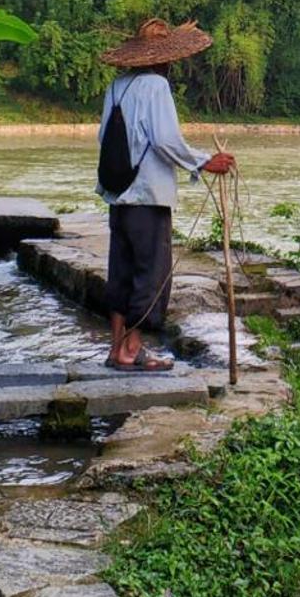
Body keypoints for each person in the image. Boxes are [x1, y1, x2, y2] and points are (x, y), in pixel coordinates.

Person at [95, 18, 235, 371]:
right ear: (164, 59)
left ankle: (116, 348)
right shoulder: (156, 87)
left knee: (121, 271)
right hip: (148, 197)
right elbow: (164, 141)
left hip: (119, 195)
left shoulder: (117, 86)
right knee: (150, 273)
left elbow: (104, 139)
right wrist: (204, 162)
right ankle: (132, 350)